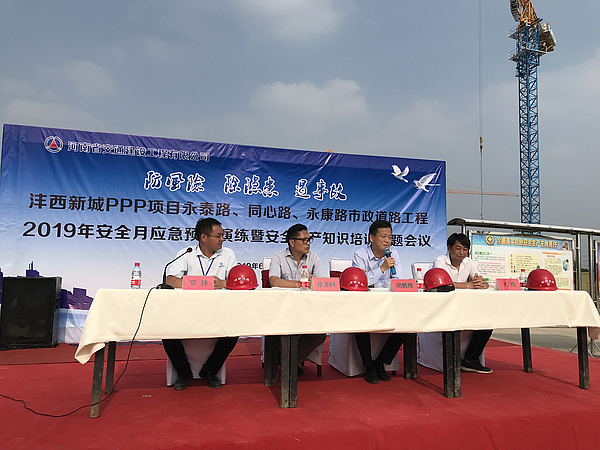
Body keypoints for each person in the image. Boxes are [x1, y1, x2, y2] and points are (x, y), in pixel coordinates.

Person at [162, 217, 239, 390]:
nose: (222, 239)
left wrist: (223, 283)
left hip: (218, 311)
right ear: (203, 237)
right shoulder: (187, 253)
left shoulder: (228, 254)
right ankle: (184, 373)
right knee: (166, 333)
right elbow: (171, 280)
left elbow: (237, 281)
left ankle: (210, 371)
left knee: (234, 331)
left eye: (222, 235)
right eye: (218, 236)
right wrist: (202, 283)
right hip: (187, 311)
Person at [269, 223, 327, 375]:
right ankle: (288, 364)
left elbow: (321, 282)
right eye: (304, 240)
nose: (308, 243)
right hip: (283, 309)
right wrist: (300, 283)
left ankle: (286, 362)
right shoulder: (278, 256)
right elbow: (274, 281)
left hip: (308, 309)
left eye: (309, 239)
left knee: (319, 335)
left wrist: (314, 282)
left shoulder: (313, 257)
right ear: (292, 242)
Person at [351, 220, 405, 384]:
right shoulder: (360, 255)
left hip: (388, 302)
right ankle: (369, 366)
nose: (387, 241)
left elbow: (398, 281)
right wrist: (381, 269)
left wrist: (379, 280)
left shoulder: (394, 254)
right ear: (372, 238)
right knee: (360, 323)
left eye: (390, 237)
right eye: (383, 237)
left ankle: (380, 362)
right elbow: (360, 282)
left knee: (407, 324)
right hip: (365, 303)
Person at [433, 232, 492, 374]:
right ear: (449, 248)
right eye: (458, 248)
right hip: (443, 307)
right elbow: (442, 285)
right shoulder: (440, 261)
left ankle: (470, 359)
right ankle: (452, 361)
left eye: (465, 249)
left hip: (465, 306)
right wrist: (468, 285)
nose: (462, 253)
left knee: (488, 322)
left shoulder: (469, 262)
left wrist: (483, 284)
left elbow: (479, 280)